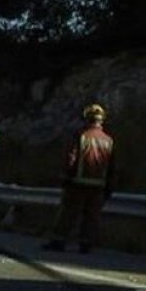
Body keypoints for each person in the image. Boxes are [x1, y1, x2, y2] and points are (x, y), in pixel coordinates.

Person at [44, 104, 116, 254]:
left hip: (77, 183)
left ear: (87, 118)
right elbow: (111, 166)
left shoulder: (81, 136)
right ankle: (86, 244)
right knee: (91, 216)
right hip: (98, 186)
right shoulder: (108, 141)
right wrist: (109, 186)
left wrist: (66, 177)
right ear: (101, 120)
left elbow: (71, 158)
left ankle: (59, 241)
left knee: (68, 213)